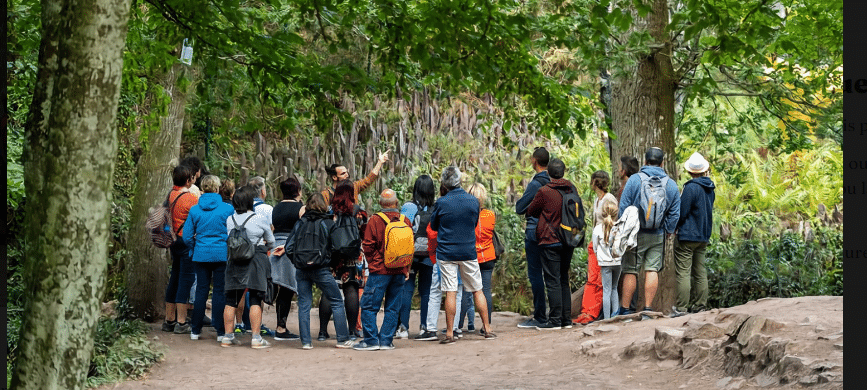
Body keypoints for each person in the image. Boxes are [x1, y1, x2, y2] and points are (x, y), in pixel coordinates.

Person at [430, 167, 496, 343]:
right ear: (460, 181)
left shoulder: (441, 202)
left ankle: (450, 333)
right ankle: (487, 329)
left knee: (450, 291)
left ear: (444, 183)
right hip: (468, 251)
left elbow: (434, 226)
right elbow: (474, 223)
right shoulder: (473, 202)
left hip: (446, 252)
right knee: (477, 289)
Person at [616, 147, 681, 316]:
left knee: (631, 269)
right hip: (658, 233)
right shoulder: (671, 184)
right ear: (662, 163)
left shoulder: (634, 180)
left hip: (635, 234)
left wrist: (625, 230)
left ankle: (624, 310)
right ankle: (647, 310)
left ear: (644, 161)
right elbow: (675, 212)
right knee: (652, 269)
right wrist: (669, 230)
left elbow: (624, 207)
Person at [289, 193, 355, 350]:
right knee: (337, 300)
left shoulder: (300, 223)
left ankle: (306, 342)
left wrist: (298, 261)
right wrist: (330, 262)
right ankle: (342, 339)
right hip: (321, 268)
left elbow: (289, 247)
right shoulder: (327, 223)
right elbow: (338, 246)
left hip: (302, 269)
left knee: (304, 303)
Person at [353, 189, 412, 350]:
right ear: (397, 203)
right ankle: (386, 341)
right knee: (393, 306)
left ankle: (371, 340)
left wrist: (373, 264)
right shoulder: (405, 220)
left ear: (380, 203)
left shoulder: (375, 220)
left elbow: (368, 245)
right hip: (399, 269)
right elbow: (408, 247)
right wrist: (406, 267)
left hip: (380, 271)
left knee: (368, 305)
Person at [220, 186, 276, 349]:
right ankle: (256, 338)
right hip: (255, 260)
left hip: (234, 261)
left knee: (231, 300)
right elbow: (271, 241)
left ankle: (227, 337)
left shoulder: (230, 219)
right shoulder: (260, 219)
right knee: (255, 299)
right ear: (250, 201)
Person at [527, 158, 579, 330]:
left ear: (548, 173)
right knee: (564, 278)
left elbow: (531, 210)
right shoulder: (572, 188)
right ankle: (566, 320)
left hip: (549, 240)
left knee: (552, 280)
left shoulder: (544, 191)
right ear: (563, 172)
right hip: (568, 239)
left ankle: (555, 320)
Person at [183, 175, 235, 341]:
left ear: (203, 189)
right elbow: (233, 232)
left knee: (201, 290)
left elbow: (187, 236)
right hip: (221, 254)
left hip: (201, 254)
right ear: (218, 188)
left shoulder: (195, 210)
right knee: (219, 291)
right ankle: (220, 330)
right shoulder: (227, 209)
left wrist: (194, 246)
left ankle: (195, 330)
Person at [318, 181, 365, 341]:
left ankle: (323, 331)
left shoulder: (330, 212)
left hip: (333, 257)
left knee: (329, 291)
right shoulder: (358, 212)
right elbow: (363, 234)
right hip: (352, 257)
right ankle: (352, 331)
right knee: (351, 289)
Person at [574, 170, 618, 325]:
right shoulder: (597, 200)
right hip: (594, 242)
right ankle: (586, 311)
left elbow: (613, 221)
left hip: (604, 243)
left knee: (599, 280)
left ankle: (593, 312)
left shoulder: (609, 199)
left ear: (595, 182)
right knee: (591, 278)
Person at [673, 152, 715, 315]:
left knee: (683, 272)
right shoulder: (710, 188)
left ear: (690, 171)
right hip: (703, 235)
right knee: (700, 271)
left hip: (688, 235)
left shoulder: (690, 188)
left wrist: (675, 227)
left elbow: (682, 212)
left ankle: (681, 307)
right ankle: (700, 305)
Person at [514, 146, 551, 329]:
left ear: (534, 161)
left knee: (535, 274)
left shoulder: (536, 184)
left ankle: (540, 316)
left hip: (534, 231)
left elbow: (520, 207)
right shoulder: (554, 181)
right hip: (552, 232)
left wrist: (530, 209)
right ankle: (556, 315)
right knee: (551, 274)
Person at [161, 165, 199, 334]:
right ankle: (181, 321)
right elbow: (198, 218)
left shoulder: (171, 195)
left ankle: (169, 319)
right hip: (186, 240)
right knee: (186, 279)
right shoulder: (190, 198)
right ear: (187, 180)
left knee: (175, 277)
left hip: (173, 239)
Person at [397, 175, 436, 338]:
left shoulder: (408, 207)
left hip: (410, 255)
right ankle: (425, 326)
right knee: (426, 291)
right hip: (429, 254)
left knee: (407, 289)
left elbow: (400, 229)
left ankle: (403, 328)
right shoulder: (435, 208)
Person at [269, 177, 305, 340]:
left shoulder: (275, 208)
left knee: (278, 288)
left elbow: (272, 229)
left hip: (274, 248)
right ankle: (281, 328)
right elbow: (302, 231)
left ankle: (278, 326)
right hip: (289, 250)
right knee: (287, 289)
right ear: (297, 191)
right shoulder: (300, 208)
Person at [466, 183, 497, 326]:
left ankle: (458, 326)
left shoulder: (465, 216)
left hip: (471, 257)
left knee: (466, 292)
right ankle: (487, 325)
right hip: (488, 256)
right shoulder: (490, 215)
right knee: (486, 290)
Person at [614, 155, 641, 312]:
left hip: (628, 233)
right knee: (631, 269)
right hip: (636, 231)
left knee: (630, 269)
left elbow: (622, 212)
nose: (618, 170)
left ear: (624, 170)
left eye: (619, 167)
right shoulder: (638, 184)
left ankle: (628, 307)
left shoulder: (626, 188)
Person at [321, 150, 390, 205]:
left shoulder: (354, 187)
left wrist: (380, 162)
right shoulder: (326, 195)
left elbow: (368, 180)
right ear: (334, 177)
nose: (347, 175)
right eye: (343, 173)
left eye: (346, 172)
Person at [593, 200, 622, 319]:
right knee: (614, 288)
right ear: (616, 214)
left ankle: (606, 318)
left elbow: (595, 247)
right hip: (617, 262)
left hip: (604, 263)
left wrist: (600, 256)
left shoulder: (598, 229)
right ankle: (615, 315)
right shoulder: (620, 228)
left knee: (607, 290)